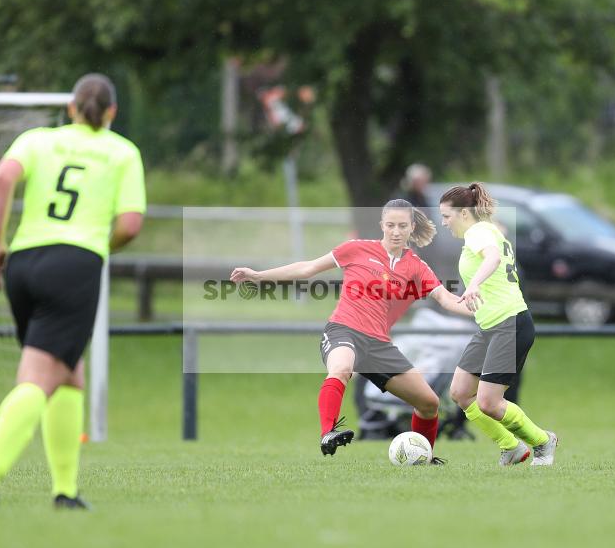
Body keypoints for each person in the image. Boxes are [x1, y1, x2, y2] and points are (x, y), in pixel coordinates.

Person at [0, 73, 146, 509]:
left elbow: (3, 178)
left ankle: (65, 492)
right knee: (42, 377)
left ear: (71, 107)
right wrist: (101, 244)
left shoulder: (38, 140)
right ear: (112, 113)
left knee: (69, 372)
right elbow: (132, 224)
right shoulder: (122, 152)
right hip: (73, 264)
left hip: (23, 263)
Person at [231, 199, 473, 460]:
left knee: (429, 403)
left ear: (412, 227)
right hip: (343, 331)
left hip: (379, 345)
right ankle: (328, 433)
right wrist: (258, 276)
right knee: (341, 368)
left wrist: (482, 311)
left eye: (402, 226)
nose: (395, 231)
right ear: (381, 225)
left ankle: (422, 457)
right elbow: (307, 268)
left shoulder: (416, 266)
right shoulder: (355, 249)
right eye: (390, 225)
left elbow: (447, 299)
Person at [439, 183, 558, 466]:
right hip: (492, 326)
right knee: (460, 392)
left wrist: (475, 284)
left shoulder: (478, 231)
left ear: (464, 213)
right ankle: (511, 447)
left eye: (446, 216)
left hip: (509, 323)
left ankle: (543, 442)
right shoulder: (484, 230)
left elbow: (492, 257)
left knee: (489, 403)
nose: (444, 223)